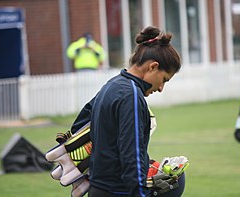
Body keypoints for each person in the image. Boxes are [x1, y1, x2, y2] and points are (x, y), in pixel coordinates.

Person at [69, 26, 184, 197]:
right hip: (119, 191)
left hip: (97, 188)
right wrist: (140, 193)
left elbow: (78, 126)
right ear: (153, 67)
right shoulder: (131, 95)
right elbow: (132, 155)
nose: (160, 88)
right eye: (164, 80)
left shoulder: (112, 85)